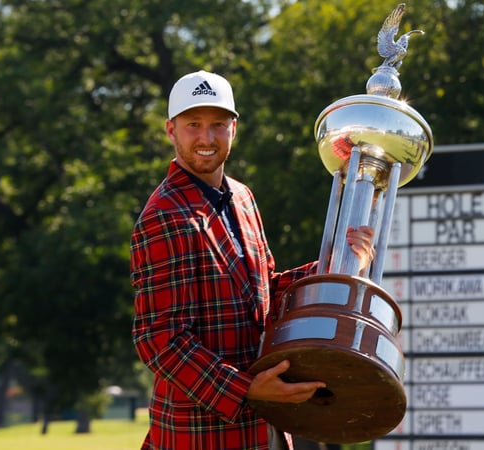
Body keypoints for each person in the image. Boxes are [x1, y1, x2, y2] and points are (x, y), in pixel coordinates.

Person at [131, 70, 375, 450]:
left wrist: (337, 265)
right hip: (201, 435)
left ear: (234, 129)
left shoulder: (243, 197)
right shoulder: (164, 215)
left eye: (217, 124)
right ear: (171, 130)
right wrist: (246, 389)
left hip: (265, 426)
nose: (206, 138)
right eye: (193, 125)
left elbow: (266, 291)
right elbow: (160, 340)